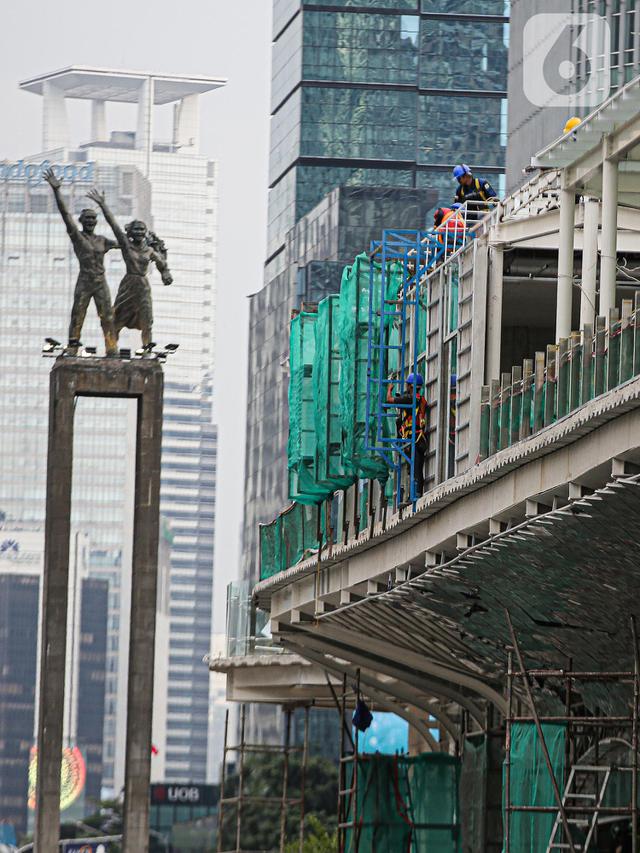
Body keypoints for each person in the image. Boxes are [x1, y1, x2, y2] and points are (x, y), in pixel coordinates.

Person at [44, 168, 119, 356]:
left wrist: (103, 206)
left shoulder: (103, 240)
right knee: (78, 314)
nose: (91, 221)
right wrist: (56, 190)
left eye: (93, 218)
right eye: (87, 218)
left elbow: (125, 243)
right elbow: (65, 215)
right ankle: (73, 347)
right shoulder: (78, 237)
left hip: (100, 281)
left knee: (107, 316)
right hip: (85, 279)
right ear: (81, 221)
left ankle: (111, 347)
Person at [86, 189, 173, 350]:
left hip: (143, 285)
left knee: (147, 319)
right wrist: (103, 205)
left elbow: (162, 264)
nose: (139, 232)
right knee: (116, 318)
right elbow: (113, 225)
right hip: (128, 284)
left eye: (142, 229)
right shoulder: (126, 245)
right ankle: (111, 348)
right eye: (137, 229)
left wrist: (165, 273)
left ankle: (147, 348)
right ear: (131, 232)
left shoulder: (149, 250)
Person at [386, 372, 428, 497]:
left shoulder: (409, 399)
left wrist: (389, 389)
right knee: (417, 467)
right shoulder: (420, 399)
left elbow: (389, 400)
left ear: (410, 386)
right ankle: (416, 492)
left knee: (414, 468)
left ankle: (414, 494)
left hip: (413, 439)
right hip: (419, 439)